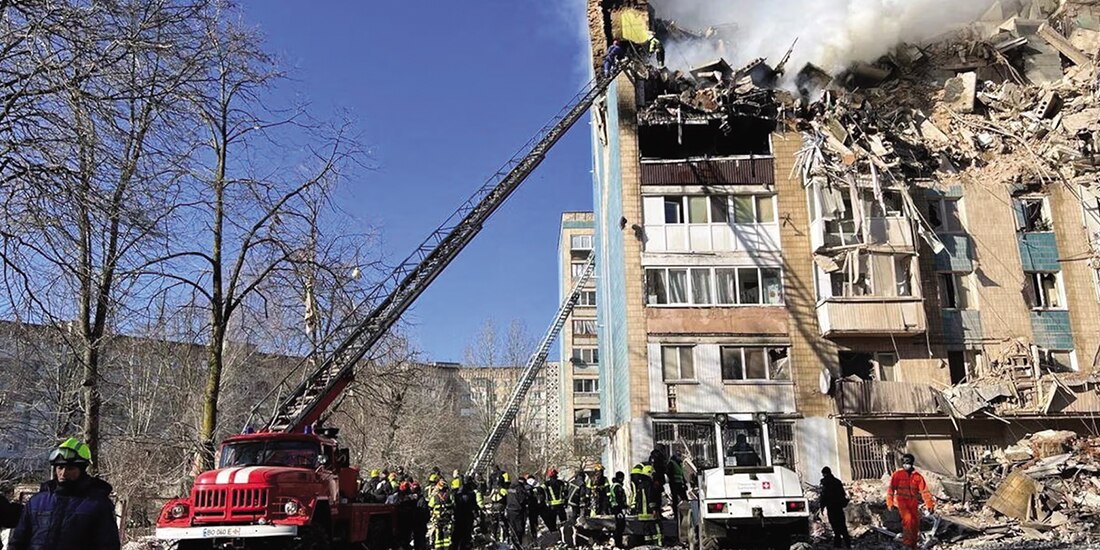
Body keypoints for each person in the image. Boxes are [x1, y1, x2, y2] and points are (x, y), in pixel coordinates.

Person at [9, 437, 119, 550]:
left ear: (82, 470)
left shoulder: (97, 504)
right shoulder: (37, 501)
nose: (63, 473)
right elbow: (18, 541)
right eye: (60, 467)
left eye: (70, 468)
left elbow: (109, 545)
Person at [886, 454, 935, 550]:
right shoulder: (897, 475)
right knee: (908, 520)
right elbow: (891, 489)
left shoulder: (918, 477)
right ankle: (907, 543)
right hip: (901, 501)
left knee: (915, 522)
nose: (905, 465)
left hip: (913, 501)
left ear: (912, 463)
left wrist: (929, 504)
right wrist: (890, 503)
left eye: (907, 463)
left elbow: (924, 491)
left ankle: (913, 544)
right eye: (904, 463)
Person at [820, 467, 852, 549]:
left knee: (835, 527)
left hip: (831, 507)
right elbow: (842, 494)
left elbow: (823, 496)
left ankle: (837, 544)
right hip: (838, 507)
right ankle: (848, 544)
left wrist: (822, 507)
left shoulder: (825, 482)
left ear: (824, 473)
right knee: (842, 526)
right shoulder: (837, 482)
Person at [428, 479, 454, 550]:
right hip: (447, 519)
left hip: (437, 519)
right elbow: (453, 505)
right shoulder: (449, 496)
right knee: (446, 535)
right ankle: (447, 548)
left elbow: (430, 506)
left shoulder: (435, 497)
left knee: (438, 535)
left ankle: (438, 548)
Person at [451, 476, 476, 550]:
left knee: (457, 536)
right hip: (467, 517)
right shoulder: (471, 493)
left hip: (458, 517)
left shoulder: (457, 493)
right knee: (466, 537)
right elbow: (473, 506)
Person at [505, 475, 529, 545]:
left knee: (512, 528)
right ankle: (519, 543)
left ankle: (513, 542)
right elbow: (522, 500)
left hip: (510, 510)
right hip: (518, 510)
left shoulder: (510, 487)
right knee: (519, 528)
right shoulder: (520, 488)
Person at [608, 471, 628, 549]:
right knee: (620, 526)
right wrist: (623, 508)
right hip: (618, 508)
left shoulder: (613, 485)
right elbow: (619, 499)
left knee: (619, 526)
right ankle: (618, 544)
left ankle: (618, 543)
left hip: (615, 507)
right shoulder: (618, 487)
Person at [668, 451, 688, 518]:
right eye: (679, 456)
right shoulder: (672, 463)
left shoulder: (679, 464)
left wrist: (684, 483)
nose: (680, 458)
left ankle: (684, 512)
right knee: (675, 499)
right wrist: (673, 482)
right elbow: (670, 474)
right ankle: (676, 514)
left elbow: (681, 475)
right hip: (674, 484)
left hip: (680, 483)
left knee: (684, 499)